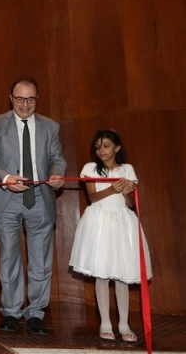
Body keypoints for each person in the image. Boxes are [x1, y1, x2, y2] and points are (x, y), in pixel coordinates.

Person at [0, 77, 66, 335]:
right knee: (9, 256)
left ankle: (36, 313)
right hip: (7, 197)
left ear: (37, 99)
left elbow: (57, 159)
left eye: (30, 99)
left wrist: (57, 174)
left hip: (39, 198)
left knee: (40, 260)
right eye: (20, 99)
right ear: (11, 98)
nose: (25, 104)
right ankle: (10, 311)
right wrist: (6, 179)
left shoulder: (50, 126)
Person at [69, 129, 152, 342]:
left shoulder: (127, 169)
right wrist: (113, 189)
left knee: (121, 275)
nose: (101, 150)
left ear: (117, 147)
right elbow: (93, 197)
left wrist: (125, 190)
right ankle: (105, 322)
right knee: (102, 273)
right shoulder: (90, 168)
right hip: (99, 222)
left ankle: (124, 324)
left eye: (106, 146)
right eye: (97, 147)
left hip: (122, 223)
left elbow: (131, 203)